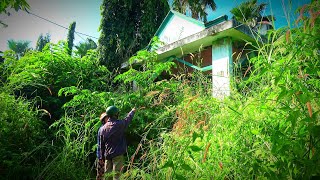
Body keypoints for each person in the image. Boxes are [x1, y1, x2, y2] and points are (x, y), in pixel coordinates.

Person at [96, 106, 136, 180]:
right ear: (115, 114)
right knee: (117, 176)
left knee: (107, 177)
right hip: (117, 155)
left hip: (107, 156)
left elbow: (101, 145)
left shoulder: (102, 128)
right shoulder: (119, 124)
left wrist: (101, 157)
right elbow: (127, 119)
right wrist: (132, 111)